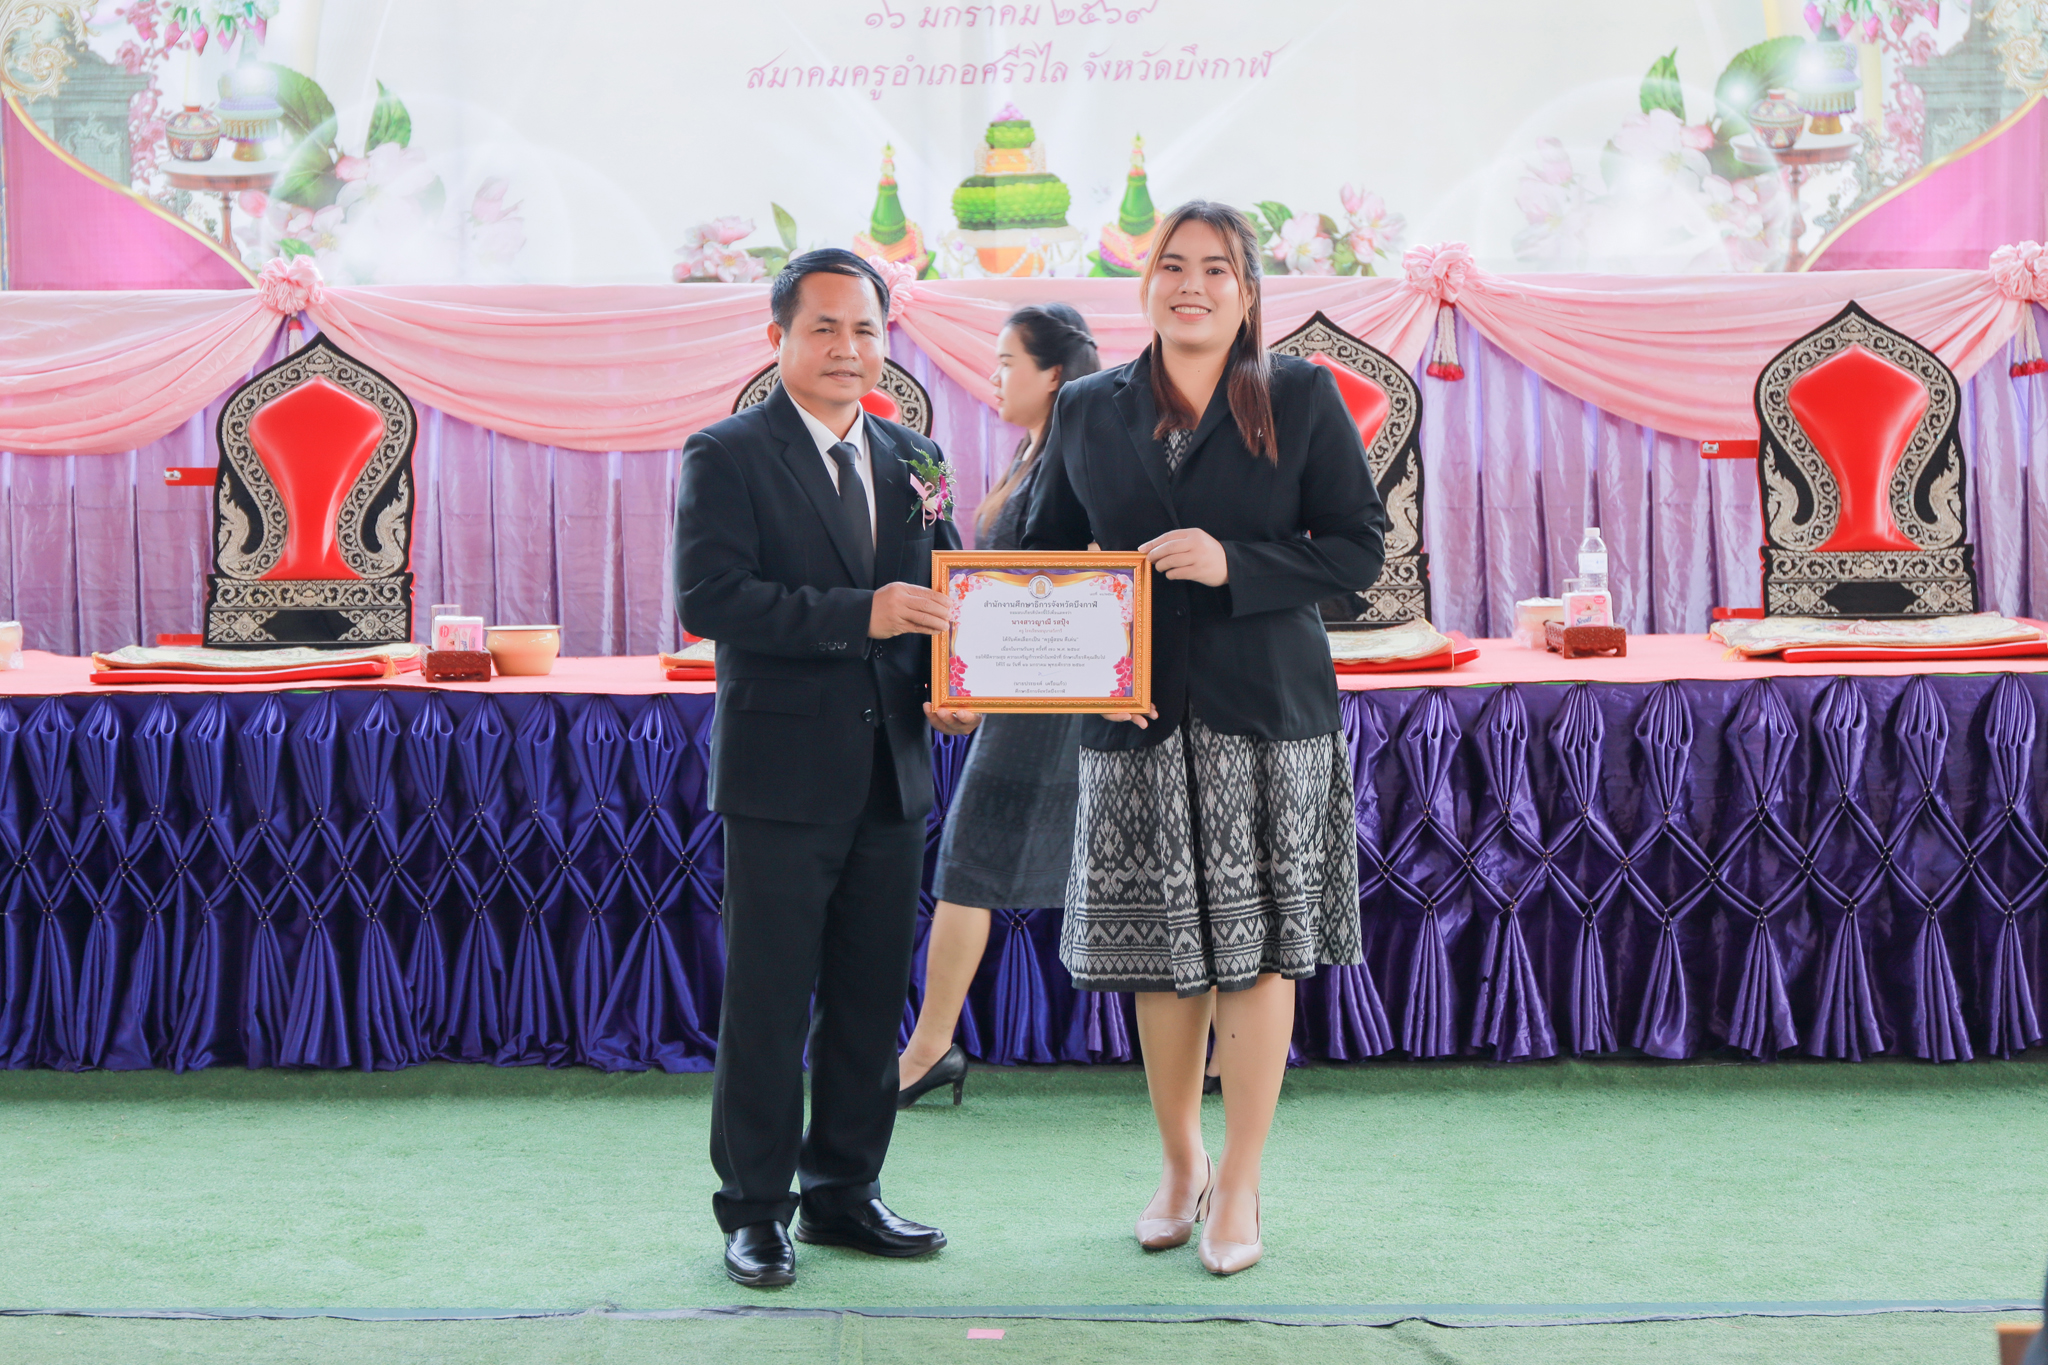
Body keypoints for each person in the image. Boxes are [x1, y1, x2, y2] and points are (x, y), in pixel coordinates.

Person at [1022, 201, 1384, 1276]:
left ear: (1248, 291)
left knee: (1259, 958)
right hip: (1131, 716)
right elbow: (1046, 559)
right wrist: (1062, 658)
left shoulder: (1299, 394)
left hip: (1265, 714)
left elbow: (1358, 551)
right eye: (1172, 265)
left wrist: (1238, 565)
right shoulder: (1084, 406)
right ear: (1145, 285)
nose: (1192, 285)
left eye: (1216, 268)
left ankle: (1244, 1178)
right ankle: (1181, 1166)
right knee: (1160, 959)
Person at [674, 248, 980, 1289]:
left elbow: (946, 596)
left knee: (865, 998)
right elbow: (711, 599)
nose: (848, 348)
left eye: (865, 329)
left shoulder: (917, 458)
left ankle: (845, 1191)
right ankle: (755, 1210)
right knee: (767, 1002)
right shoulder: (727, 453)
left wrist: (955, 685)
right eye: (824, 327)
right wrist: (863, 614)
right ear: (777, 339)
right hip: (780, 775)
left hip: (893, 769)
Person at [897, 304, 1102, 1107]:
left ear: (1053, 373)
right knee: (973, 863)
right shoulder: (1034, 451)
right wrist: (966, 687)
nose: (994, 377)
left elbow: (1085, 586)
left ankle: (927, 1049)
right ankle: (928, 1047)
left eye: (1007, 361)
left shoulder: (1082, 455)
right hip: (1031, 694)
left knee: (970, 862)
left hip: (1065, 699)